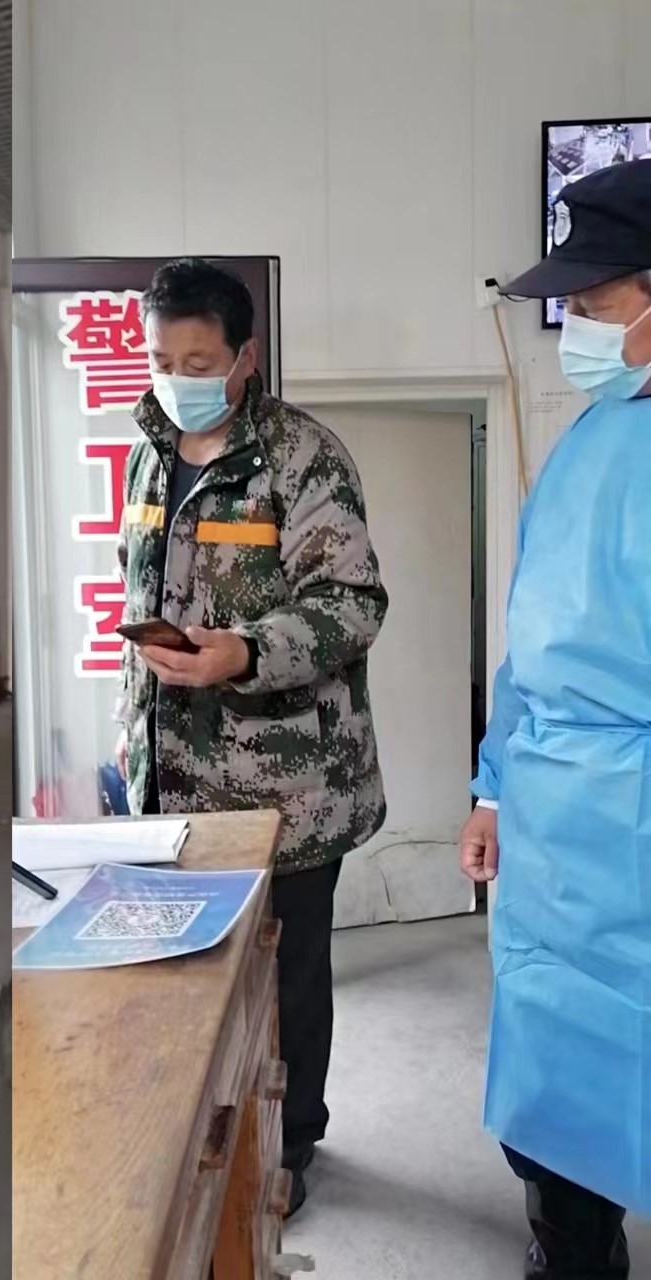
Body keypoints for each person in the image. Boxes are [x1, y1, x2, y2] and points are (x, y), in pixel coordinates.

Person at [114, 258, 388, 1215]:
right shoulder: (150, 454)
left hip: (287, 792)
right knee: (192, 977)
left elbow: (352, 605)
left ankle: (291, 1143)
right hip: (171, 778)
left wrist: (245, 651)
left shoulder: (303, 457)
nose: (177, 378)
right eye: (161, 360)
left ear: (245, 357)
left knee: (285, 979)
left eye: (199, 362)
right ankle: (214, 1131)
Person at [460, 160, 651, 1279]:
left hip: (634, 830)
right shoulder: (587, 439)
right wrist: (492, 789)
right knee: (549, 1105)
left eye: (593, 301)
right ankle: (571, 1254)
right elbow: (529, 645)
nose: (574, 326)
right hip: (551, 837)